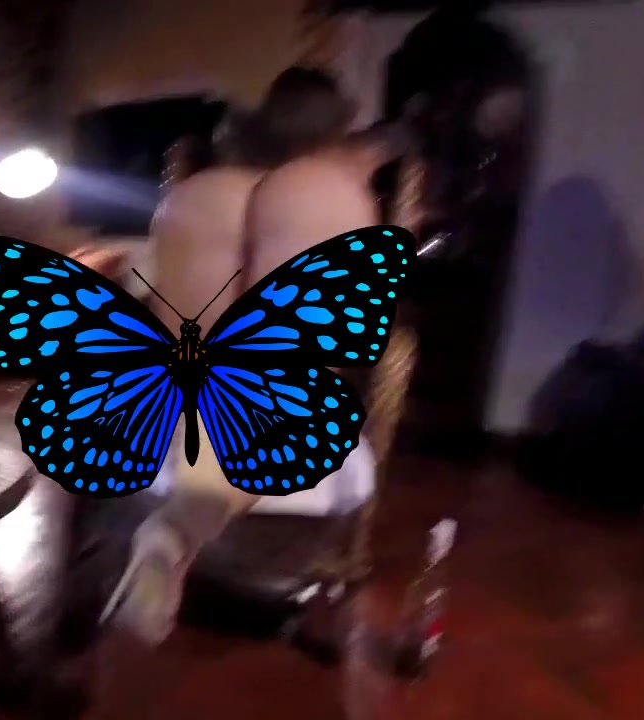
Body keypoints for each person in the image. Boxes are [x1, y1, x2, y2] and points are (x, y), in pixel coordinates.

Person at [105, 67, 415, 645]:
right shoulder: (332, 194)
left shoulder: (196, 193)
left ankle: (173, 527)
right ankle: (176, 531)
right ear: (336, 135)